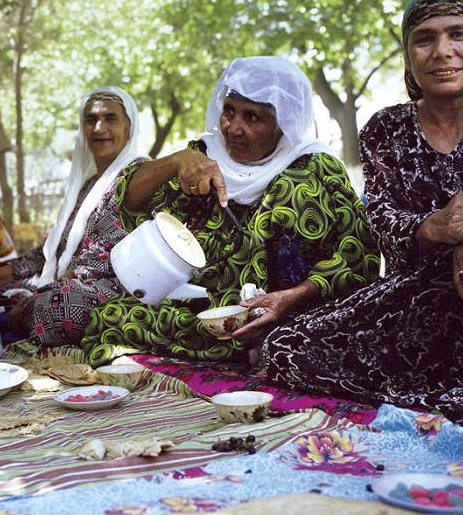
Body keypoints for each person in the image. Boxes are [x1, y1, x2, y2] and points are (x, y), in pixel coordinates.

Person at [82, 56, 380, 366]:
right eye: (229, 111)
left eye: (253, 118)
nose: (233, 128)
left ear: (284, 122)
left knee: (300, 345)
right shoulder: (204, 156)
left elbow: (359, 257)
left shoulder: (316, 168)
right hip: (206, 315)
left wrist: (290, 298)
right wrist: (176, 160)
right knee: (112, 316)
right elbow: (130, 199)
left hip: (290, 312)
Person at [263, 0, 463, 423]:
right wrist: (434, 226)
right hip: (415, 296)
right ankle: (441, 400)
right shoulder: (386, 128)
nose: (443, 51)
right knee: (284, 350)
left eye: (458, 34)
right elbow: (379, 219)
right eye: (425, 38)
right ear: (409, 54)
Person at [0, 86, 146, 345]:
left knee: (60, 302)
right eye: (90, 119)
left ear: (129, 127)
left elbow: (101, 261)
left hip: (109, 289)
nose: (98, 127)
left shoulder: (138, 177)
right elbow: (48, 254)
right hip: (59, 283)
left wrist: (35, 299)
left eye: (110, 118)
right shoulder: (86, 187)